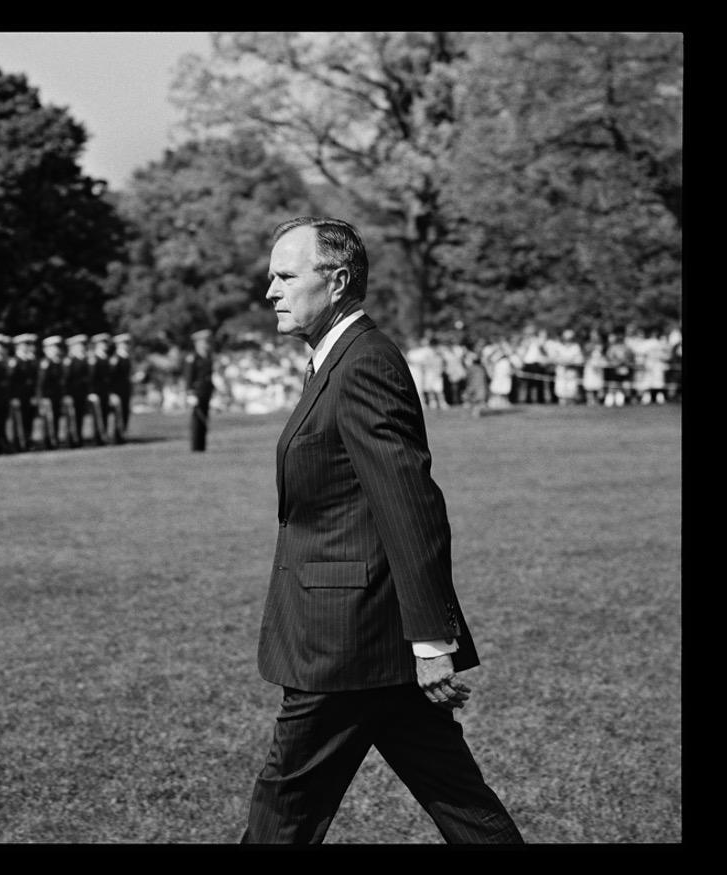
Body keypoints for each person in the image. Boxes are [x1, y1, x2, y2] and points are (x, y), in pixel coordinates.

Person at [242, 216, 523, 844]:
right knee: (459, 800)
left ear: (338, 281)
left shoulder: (364, 363)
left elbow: (410, 503)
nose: (271, 292)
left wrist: (430, 640)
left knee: (284, 805)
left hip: (347, 639)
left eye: (286, 276)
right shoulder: (336, 359)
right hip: (368, 636)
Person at [183, 328, 214, 452]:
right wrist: (190, 394)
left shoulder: (207, 356)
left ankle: (202, 446)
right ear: (197, 343)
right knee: (197, 420)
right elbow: (189, 376)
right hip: (196, 393)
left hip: (206, 392)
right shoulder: (192, 358)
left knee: (204, 418)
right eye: (204, 342)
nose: (206, 344)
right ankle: (196, 447)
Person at [33, 335, 65, 450]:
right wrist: (40, 399)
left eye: (57, 347)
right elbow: (40, 383)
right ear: (46, 349)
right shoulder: (45, 363)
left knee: (55, 418)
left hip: (56, 396)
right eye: (53, 347)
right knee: (48, 420)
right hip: (47, 397)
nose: (56, 350)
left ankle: (54, 439)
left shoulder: (58, 362)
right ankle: (49, 441)